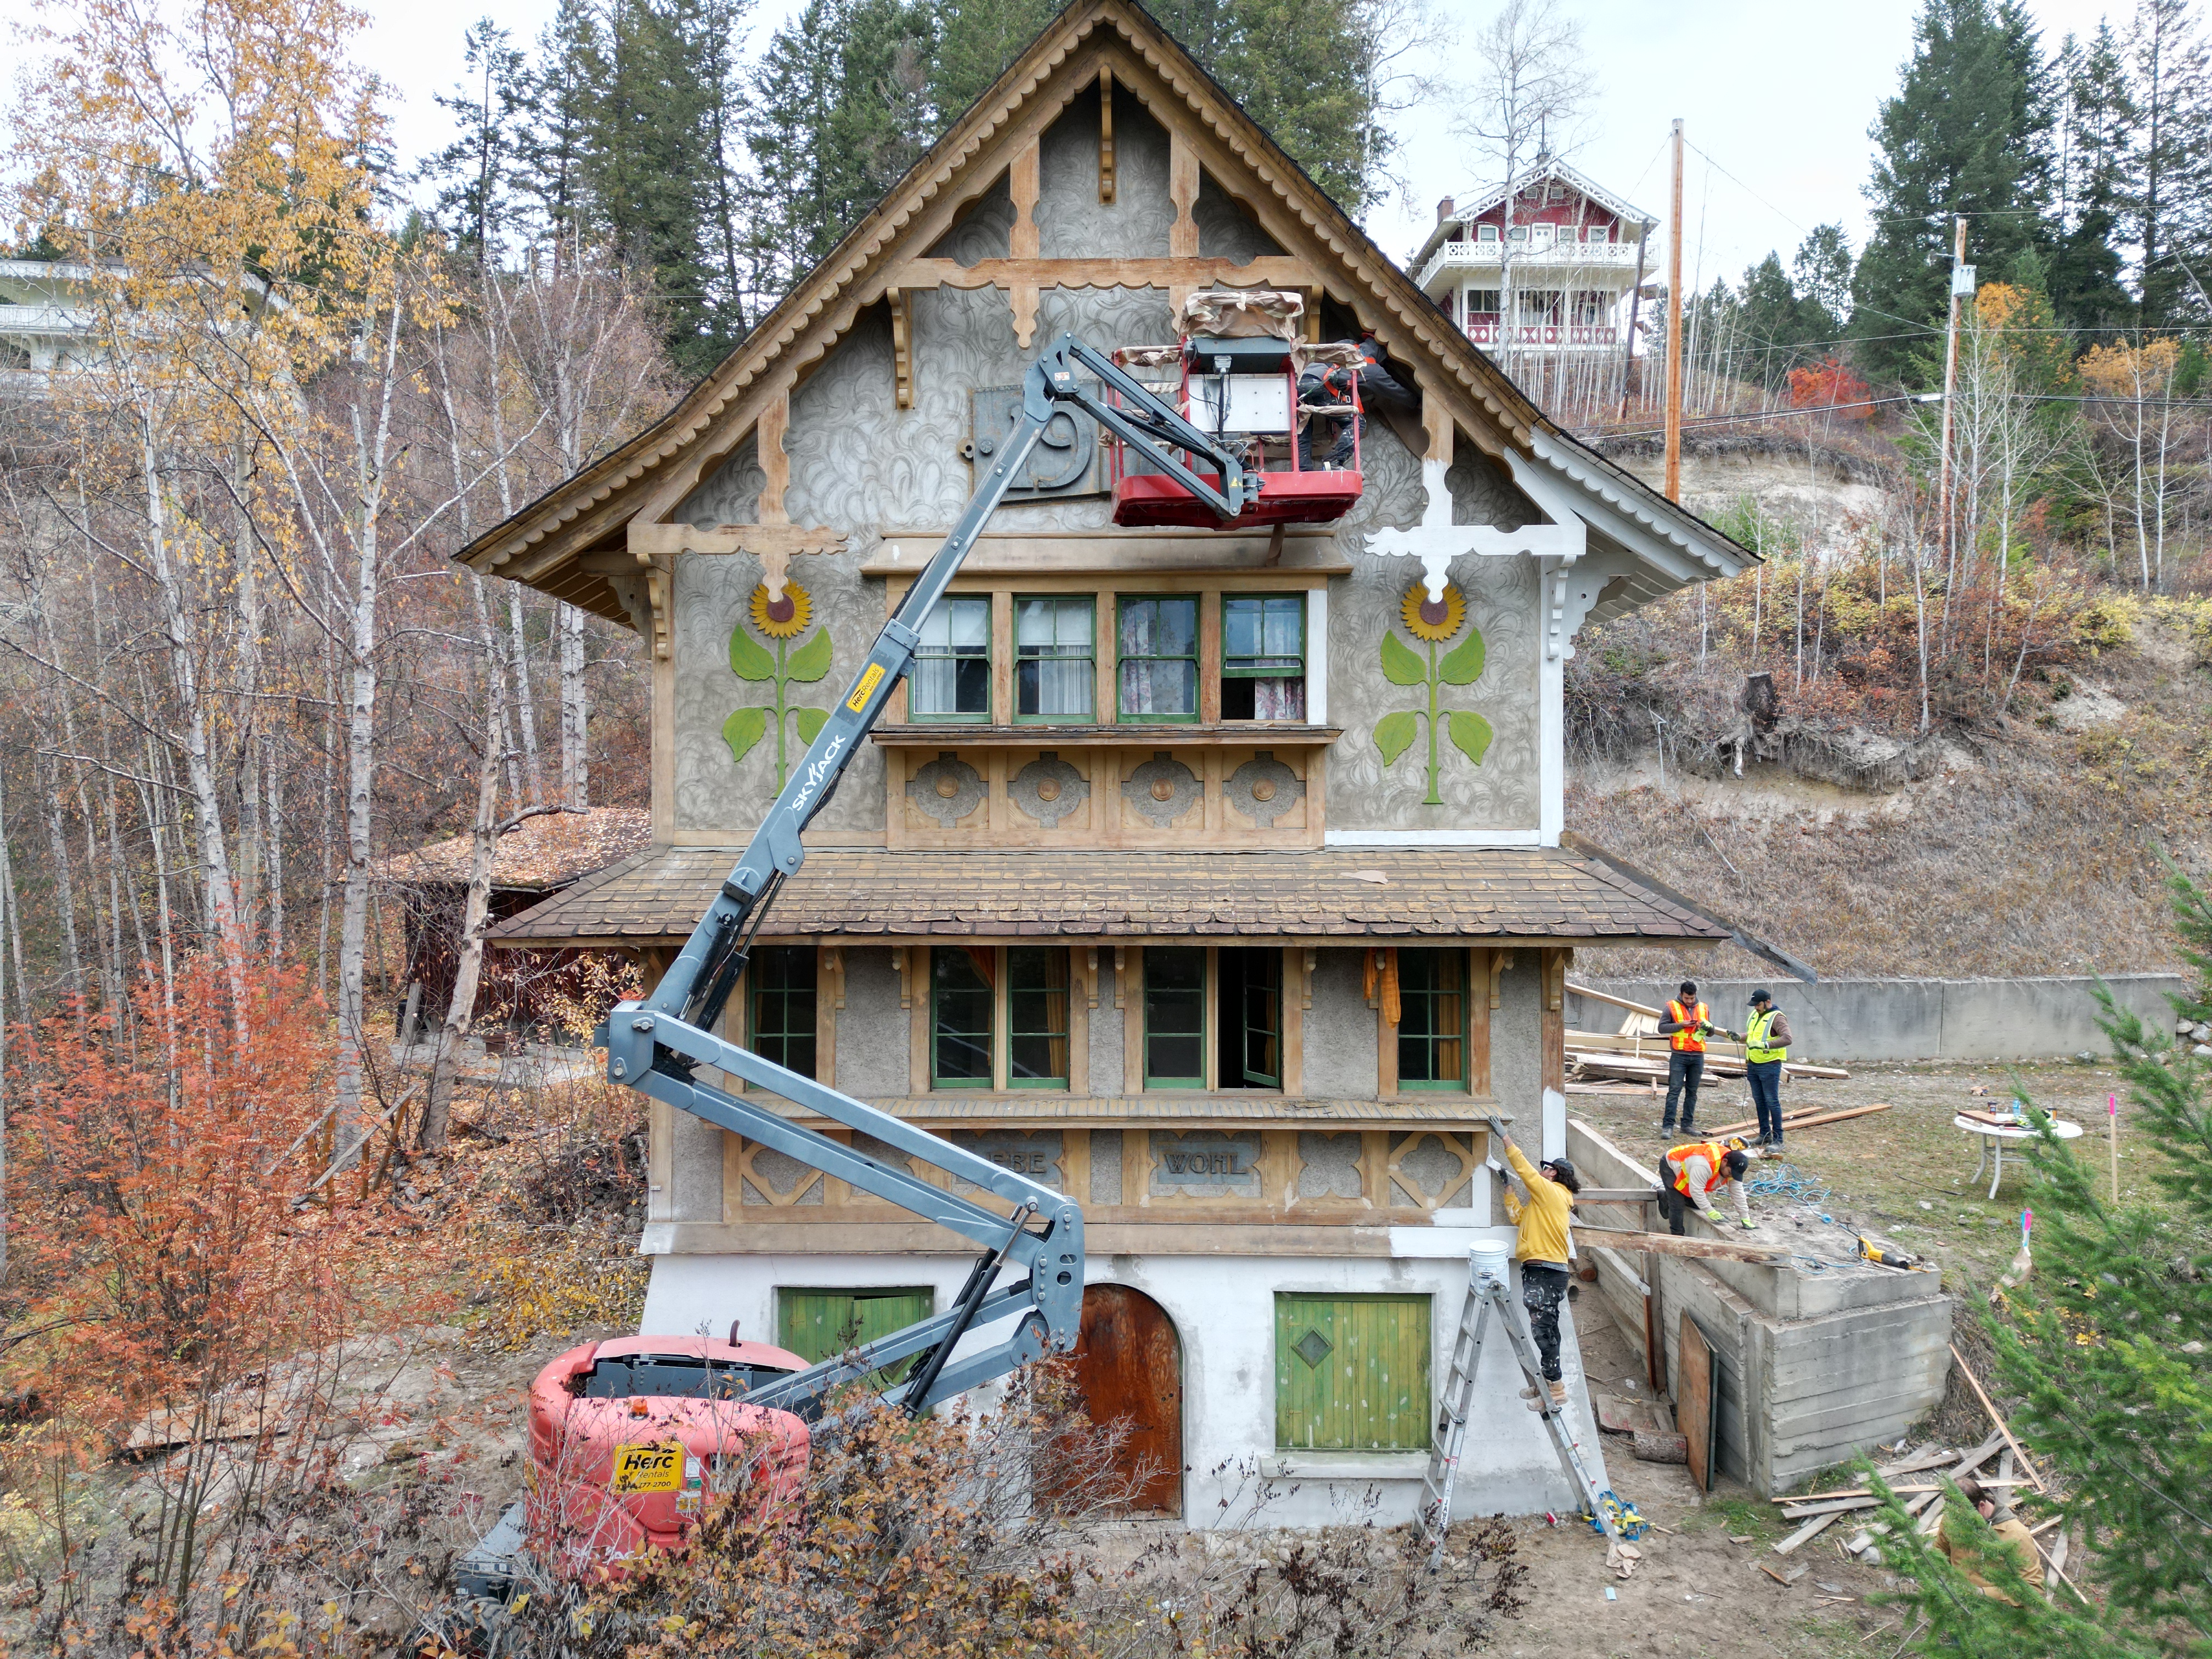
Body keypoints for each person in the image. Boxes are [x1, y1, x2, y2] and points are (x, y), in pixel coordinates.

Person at [1486, 1128, 1581, 1416]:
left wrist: (1506, 1140)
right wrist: (1507, 1189)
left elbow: (1525, 1170)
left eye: (1546, 1169)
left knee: (1543, 1330)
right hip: (1541, 1269)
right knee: (1546, 1329)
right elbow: (1518, 1218)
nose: (1541, 1172)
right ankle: (1548, 1383)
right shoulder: (1544, 1202)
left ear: (1555, 1174)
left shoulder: (1553, 1193)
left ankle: (1556, 1389)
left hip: (1547, 1271)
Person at [1936, 1477, 2046, 1602]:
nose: (1958, 1523)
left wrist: (1984, 1593)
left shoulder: (2017, 1535)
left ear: (1981, 1506)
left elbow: (2033, 1587)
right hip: (1960, 1604)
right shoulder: (1954, 1516)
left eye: (1965, 1519)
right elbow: (1940, 1551)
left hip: (2000, 1613)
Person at [1658, 981, 1736, 1133]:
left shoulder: (1703, 1008)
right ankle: (1668, 1127)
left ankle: (1687, 1126)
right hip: (1679, 1055)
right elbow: (1662, 1028)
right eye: (1687, 998)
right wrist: (1682, 1025)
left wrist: (1709, 1029)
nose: (1690, 1001)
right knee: (1674, 1091)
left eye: (1692, 998)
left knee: (1692, 1092)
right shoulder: (1671, 1007)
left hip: (1698, 1055)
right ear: (1681, 995)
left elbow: (1711, 1032)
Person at [1658, 1137, 1756, 1233]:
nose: (1730, 1176)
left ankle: (1668, 1197)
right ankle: (1677, 1237)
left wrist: (1745, 1218)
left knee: (1696, 1205)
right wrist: (1711, 1212)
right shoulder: (1704, 1165)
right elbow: (1696, 1191)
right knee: (1677, 1205)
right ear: (1725, 1162)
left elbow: (1738, 1193)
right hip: (1671, 1162)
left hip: (1691, 1171)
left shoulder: (1732, 1168)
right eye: (1730, 1172)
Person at [1743, 989, 1795, 1150]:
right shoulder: (1755, 1015)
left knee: (1772, 1101)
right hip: (1753, 1063)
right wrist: (1738, 1036)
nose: (1756, 1008)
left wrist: (1765, 1045)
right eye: (1754, 1005)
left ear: (1768, 1002)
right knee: (1759, 1101)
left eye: (1758, 1005)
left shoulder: (1777, 1017)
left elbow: (1787, 1038)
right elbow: (1752, 1036)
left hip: (1769, 1065)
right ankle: (1765, 1134)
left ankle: (1778, 1140)